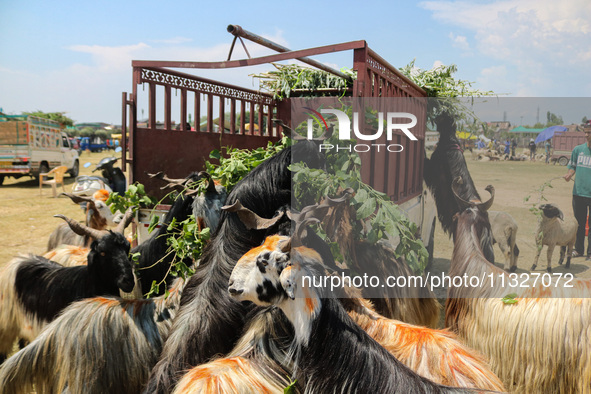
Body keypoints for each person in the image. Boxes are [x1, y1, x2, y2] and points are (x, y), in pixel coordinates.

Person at [564, 129, 591, 258]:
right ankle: (579, 250)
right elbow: (572, 166)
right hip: (578, 193)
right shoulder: (578, 150)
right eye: (585, 132)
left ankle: (590, 253)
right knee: (579, 224)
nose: (587, 135)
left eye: (589, 132)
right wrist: (569, 174)